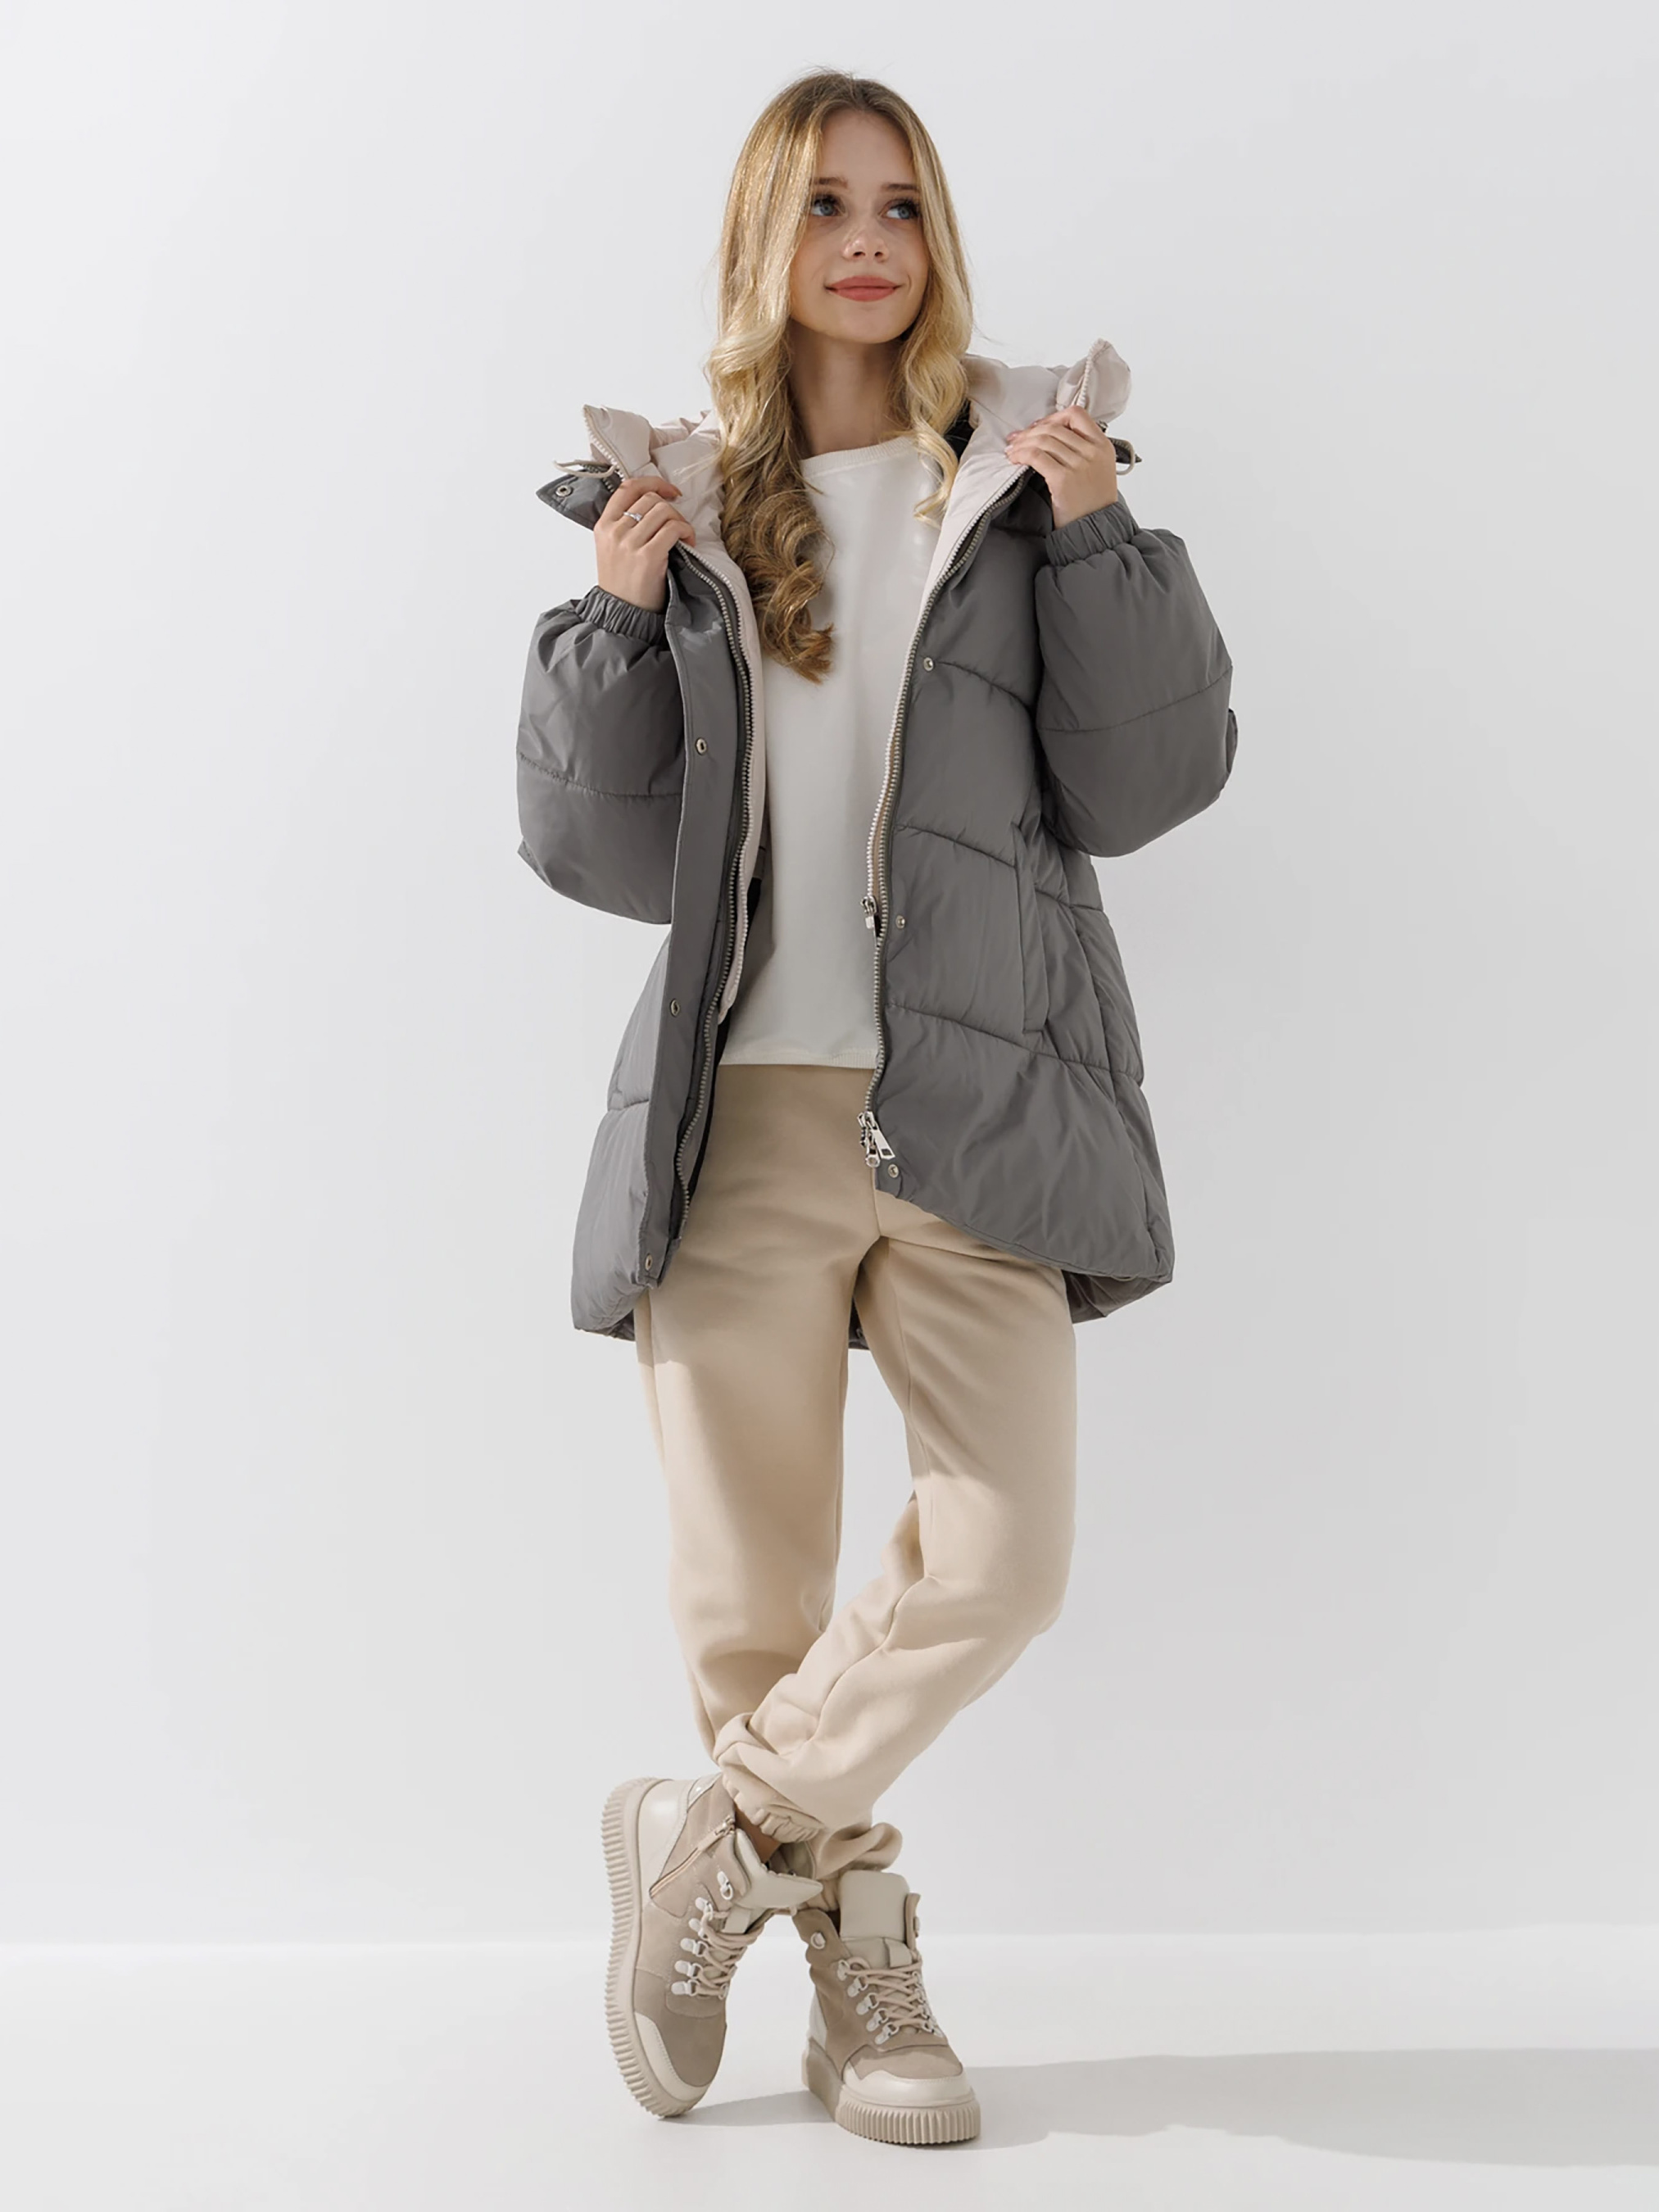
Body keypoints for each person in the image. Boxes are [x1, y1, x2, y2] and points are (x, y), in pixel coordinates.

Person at [515, 70, 1237, 2147]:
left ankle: (708, 1841)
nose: (864, 241)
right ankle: (851, 1972)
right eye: (825, 203)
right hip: (739, 1109)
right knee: (754, 1609)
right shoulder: (677, 507)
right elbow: (596, 856)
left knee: (1002, 1558)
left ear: (936, 242)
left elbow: (1149, 786)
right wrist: (615, 626)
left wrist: (1099, 544)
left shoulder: (1013, 484)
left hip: (975, 1102)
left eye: (899, 205)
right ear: (764, 240)